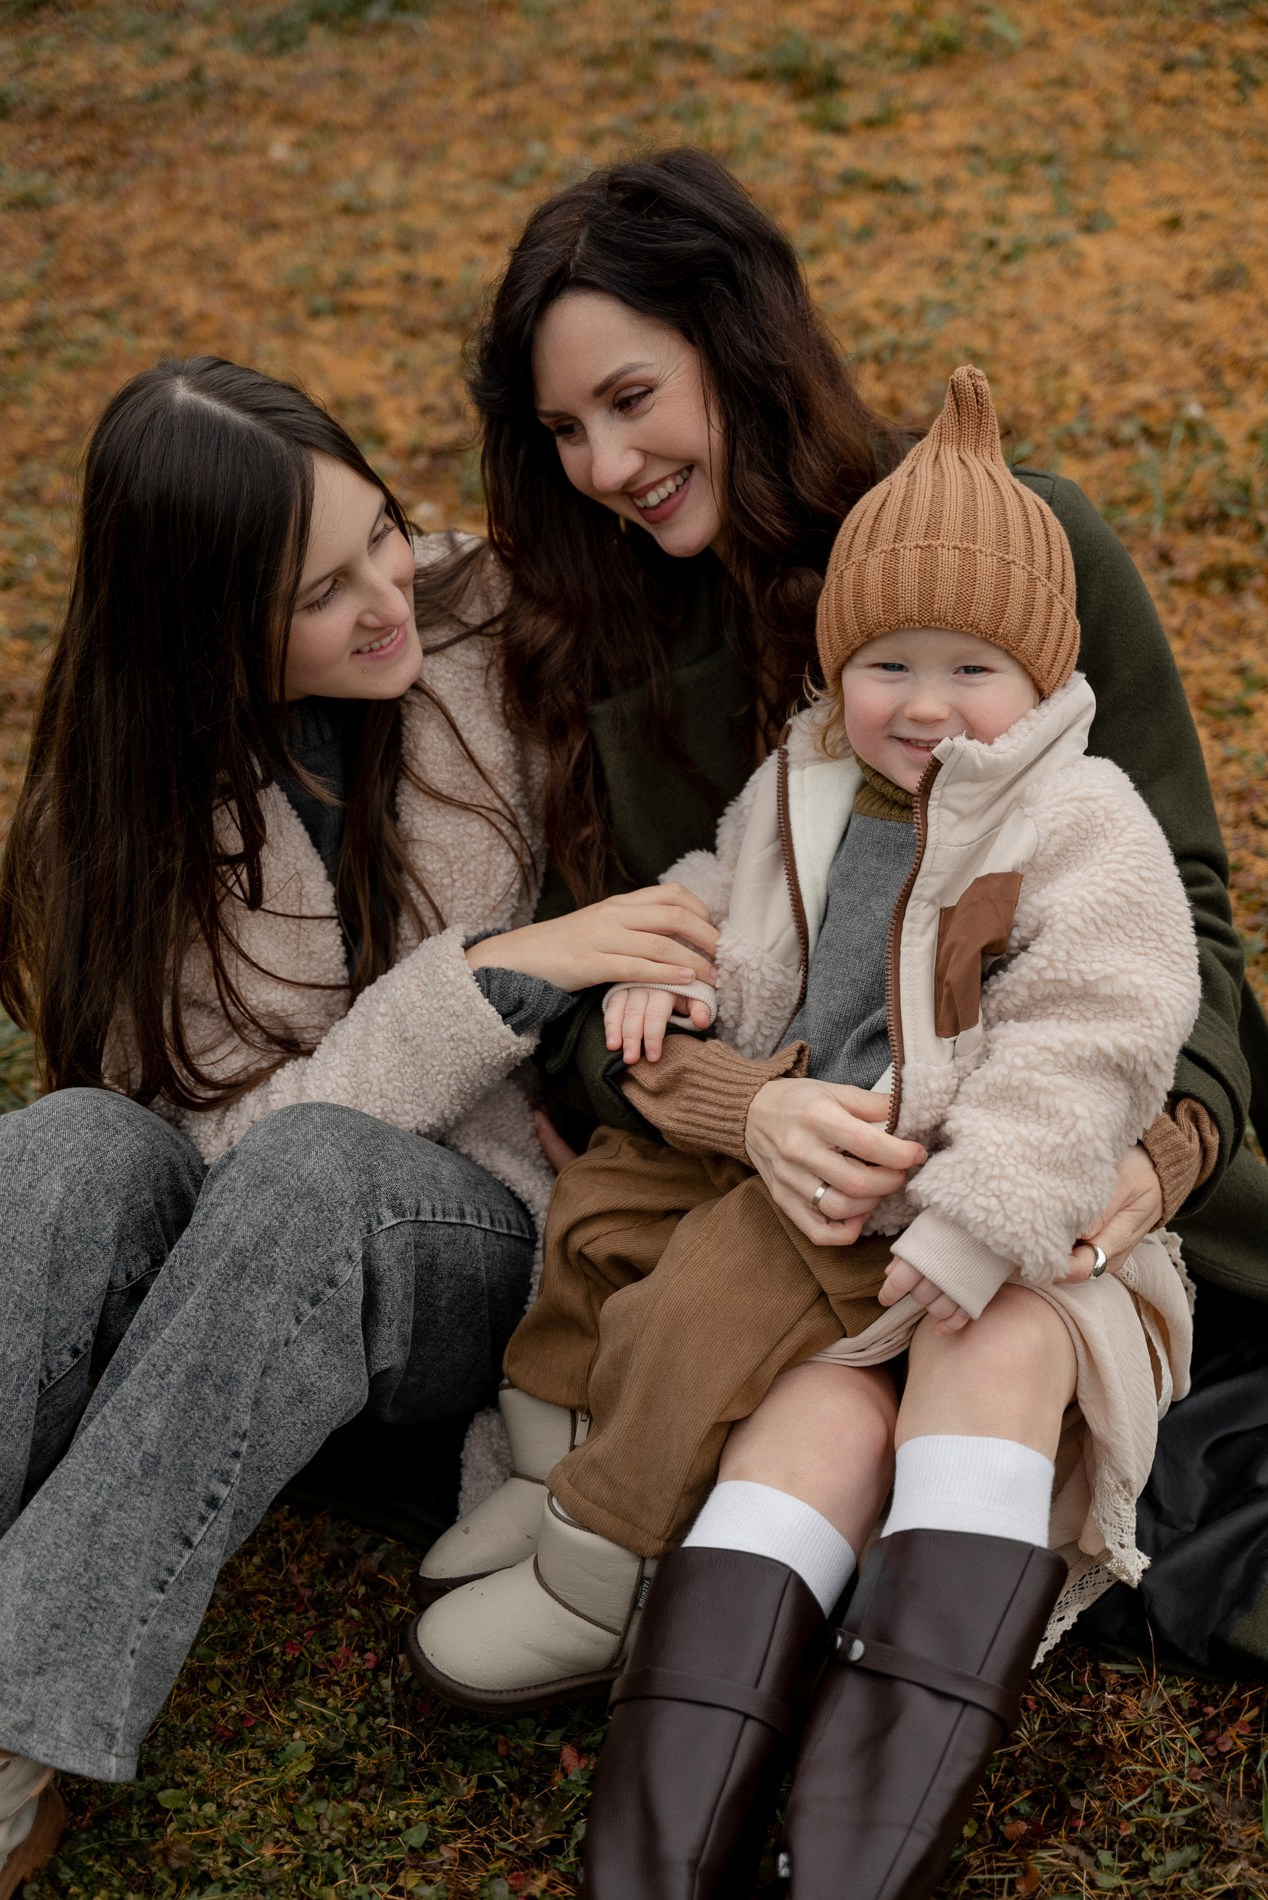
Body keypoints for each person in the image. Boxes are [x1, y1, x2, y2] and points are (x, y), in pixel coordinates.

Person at [407, 366, 1202, 1894]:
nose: (924, 704)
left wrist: (982, 1224)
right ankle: (650, 1826)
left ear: (1041, 681)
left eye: (972, 668)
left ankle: (618, 1581)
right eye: (888, 663)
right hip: (813, 1168)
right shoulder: (812, 774)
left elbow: (1088, 1045)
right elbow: (724, 886)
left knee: (709, 1309)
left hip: (962, 1212)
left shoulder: (1081, 826)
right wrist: (675, 974)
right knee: (611, 1231)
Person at [0, 355, 721, 1894]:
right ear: (201, 628)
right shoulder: (116, 809)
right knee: (62, 1145)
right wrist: (491, 977)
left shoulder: (489, 629)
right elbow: (199, 1159)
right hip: (245, 1259)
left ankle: (12, 1732)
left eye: (380, 533)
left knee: (322, 1171)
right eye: (321, 594)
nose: (389, 594)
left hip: (493, 1253)